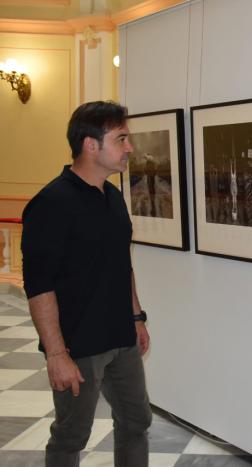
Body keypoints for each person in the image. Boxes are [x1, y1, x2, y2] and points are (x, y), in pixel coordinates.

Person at [21, 101, 152, 467]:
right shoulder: (51, 204)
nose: (129, 147)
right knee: (71, 436)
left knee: (136, 421)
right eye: (121, 138)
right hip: (78, 346)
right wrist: (57, 355)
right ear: (90, 145)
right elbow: (39, 287)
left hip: (121, 338)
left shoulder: (112, 197)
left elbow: (122, 264)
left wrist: (137, 317)